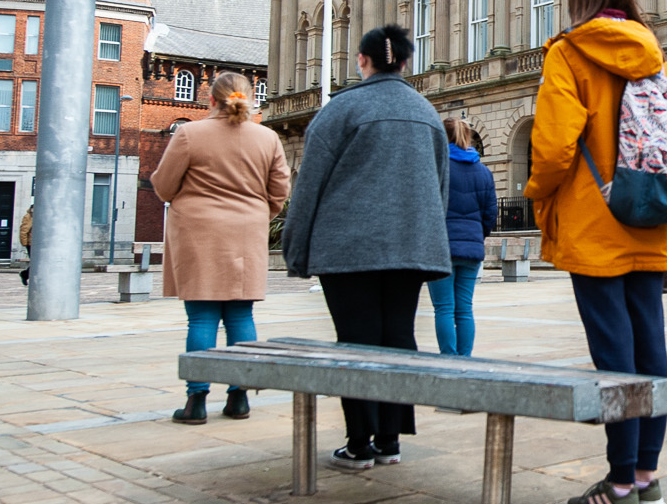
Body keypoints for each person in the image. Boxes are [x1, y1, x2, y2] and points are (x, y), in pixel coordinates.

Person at [526, 0, 667, 504]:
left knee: (613, 357)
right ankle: (646, 478)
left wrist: (538, 189)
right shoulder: (652, 52)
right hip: (648, 215)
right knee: (650, 351)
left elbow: (556, 144)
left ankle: (617, 487)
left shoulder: (569, 53)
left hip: (596, 223)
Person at [283, 24, 452, 470]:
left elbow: (308, 187)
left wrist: (295, 250)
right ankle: (390, 439)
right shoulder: (427, 112)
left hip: (348, 247)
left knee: (355, 341)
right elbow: (440, 187)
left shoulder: (342, 110)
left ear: (363, 60)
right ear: (405, 62)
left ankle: (359, 442)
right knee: (397, 337)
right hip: (410, 246)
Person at [151, 72, 292, 423]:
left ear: (211, 100)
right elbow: (280, 190)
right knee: (241, 316)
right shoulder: (267, 138)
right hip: (247, 233)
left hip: (199, 233)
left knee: (202, 318)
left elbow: (164, 186)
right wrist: (258, 213)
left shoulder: (189, 134)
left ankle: (196, 400)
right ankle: (239, 396)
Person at [428, 117, 497, 356]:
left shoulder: (437, 167)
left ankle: (449, 359)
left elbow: (427, 207)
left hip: (440, 248)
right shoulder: (483, 172)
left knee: (444, 308)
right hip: (471, 248)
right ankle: (465, 359)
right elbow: (490, 214)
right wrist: (477, 235)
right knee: (464, 309)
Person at [17, 206, 34, 286]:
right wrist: (25, 243)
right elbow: (24, 230)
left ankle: (25, 274)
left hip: (41, 244)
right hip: (31, 243)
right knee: (36, 262)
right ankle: (25, 274)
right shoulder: (28, 217)